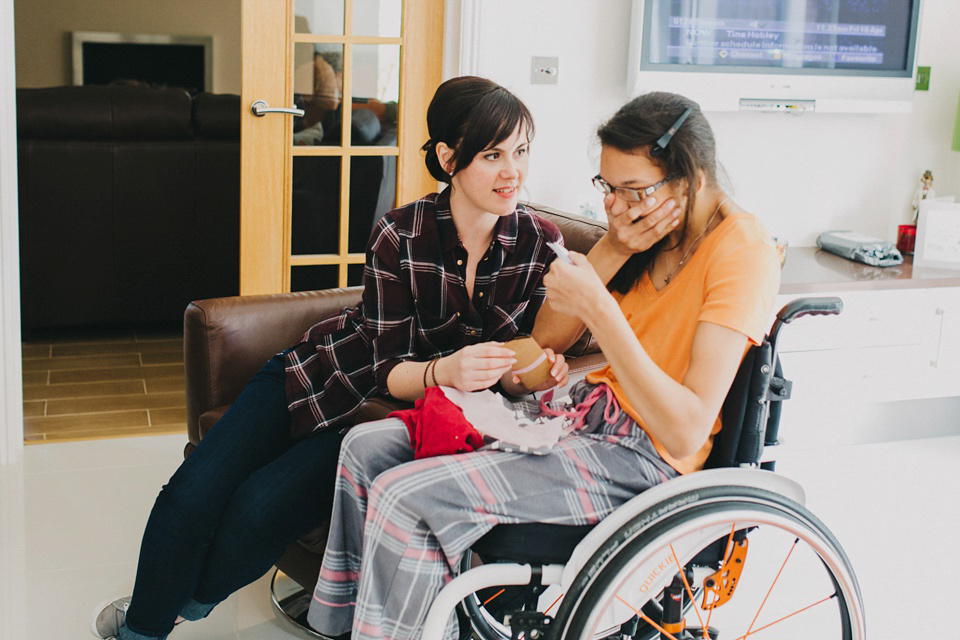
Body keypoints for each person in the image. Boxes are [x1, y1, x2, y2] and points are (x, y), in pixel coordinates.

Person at [90, 75, 569, 640]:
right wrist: (447, 370)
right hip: (321, 374)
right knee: (193, 492)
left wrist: (532, 374)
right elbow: (388, 362)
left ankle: (181, 604)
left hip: (377, 420)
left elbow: (521, 358)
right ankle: (141, 629)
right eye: (492, 155)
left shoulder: (540, 243)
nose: (512, 171)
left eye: (520, 151)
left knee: (257, 509)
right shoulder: (400, 234)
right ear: (448, 157)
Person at [306, 91, 782, 640]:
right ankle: (344, 629)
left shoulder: (741, 251)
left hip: (642, 461)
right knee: (365, 450)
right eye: (609, 189)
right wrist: (615, 250)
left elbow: (686, 428)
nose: (618, 208)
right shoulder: (651, 232)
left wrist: (603, 314)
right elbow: (547, 337)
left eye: (634, 190)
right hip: (579, 421)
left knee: (403, 496)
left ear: (689, 177)